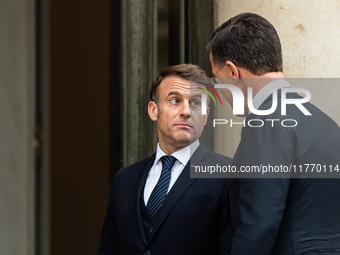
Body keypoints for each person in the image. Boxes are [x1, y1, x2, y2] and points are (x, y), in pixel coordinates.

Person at [207, 12, 340, 254]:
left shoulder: (265, 121)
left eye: (216, 78)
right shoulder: (328, 125)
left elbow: (259, 223)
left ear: (232, 72)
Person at [98, 64, 232, 255]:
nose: (186, 111)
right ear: (154, 111)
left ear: (205, 116)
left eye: (195, 103)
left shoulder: (227, 173)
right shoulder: (124, 179)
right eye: (175, 100)